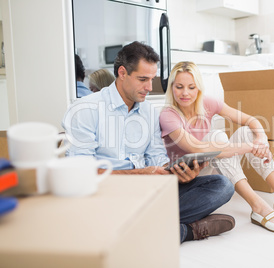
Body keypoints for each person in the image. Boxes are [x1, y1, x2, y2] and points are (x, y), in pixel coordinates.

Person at [63, 42, 235, 243]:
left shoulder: (148, 112)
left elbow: (157, 158)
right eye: (143, 79)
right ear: (122, 73)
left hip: (146, 193)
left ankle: (136, 227)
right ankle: (186, 231)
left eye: (152, 79)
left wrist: (177, 173)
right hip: (108, 195)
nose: (149, 87)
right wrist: (140, 173)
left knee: (221, 185)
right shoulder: (86, 110)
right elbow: (81, 174)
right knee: (95, 215)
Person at [160, 61, 274, 235]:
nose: (185, 93)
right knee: (218, 137)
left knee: (247, 132)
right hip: (188, 177)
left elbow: (251, 120)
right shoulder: (168, 114)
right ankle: (258, 207)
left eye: (191, 87)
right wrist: (249, 148)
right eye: (179, 87)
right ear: (171, 88)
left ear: (198, 88)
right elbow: (196, 147)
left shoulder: (208, 103)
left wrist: (260, 141)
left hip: (209, 167)